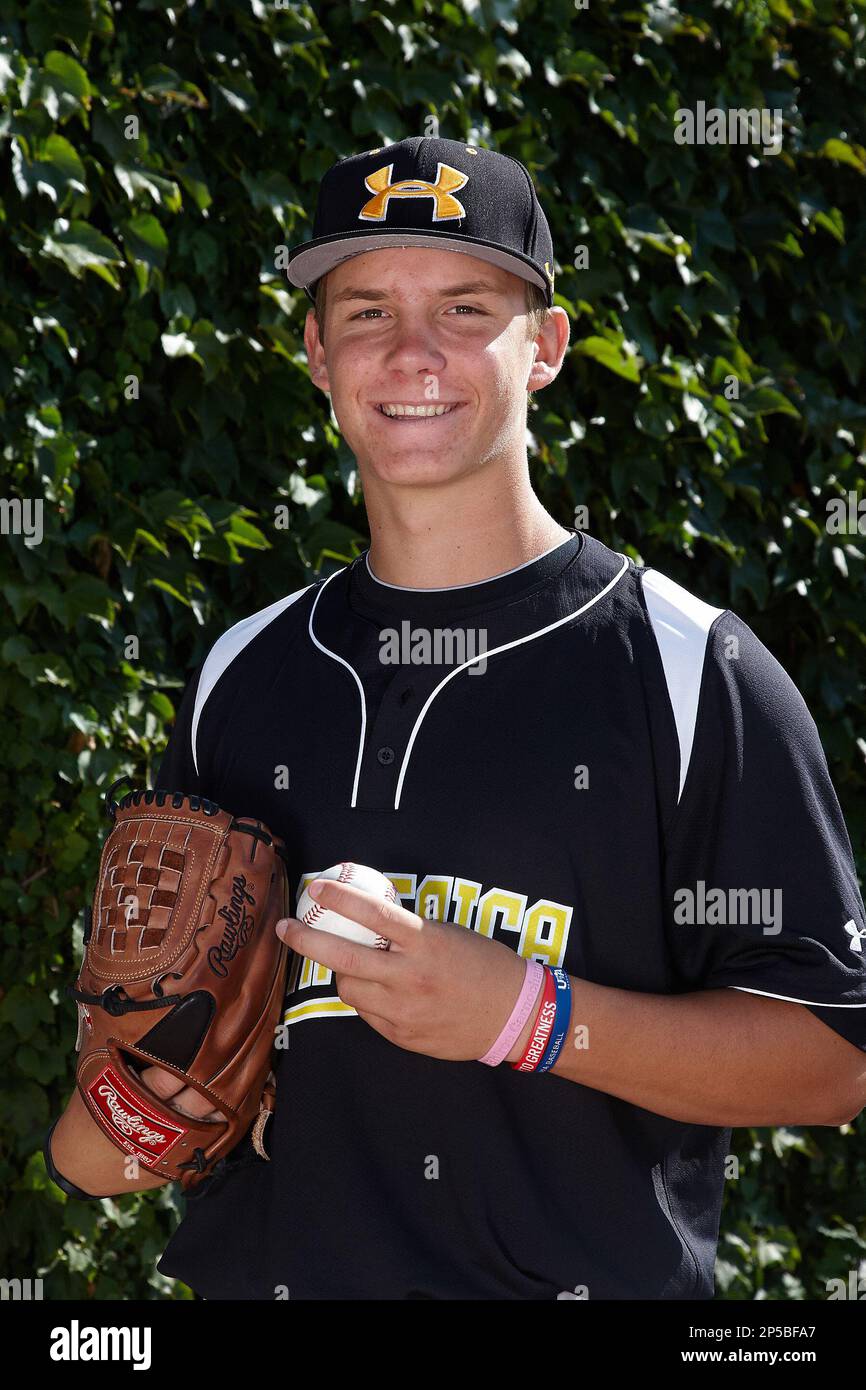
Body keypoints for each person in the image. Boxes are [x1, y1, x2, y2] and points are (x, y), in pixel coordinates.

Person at [57, 137, 866, 1299]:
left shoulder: (690, 665)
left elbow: (829, 1057)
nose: (410, 351)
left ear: (541, 347)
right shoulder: (244, 668)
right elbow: (140, 1102)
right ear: (316, 353)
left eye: (463, 305)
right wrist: (145, 1104)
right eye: (366, 309)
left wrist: (527, 1016)